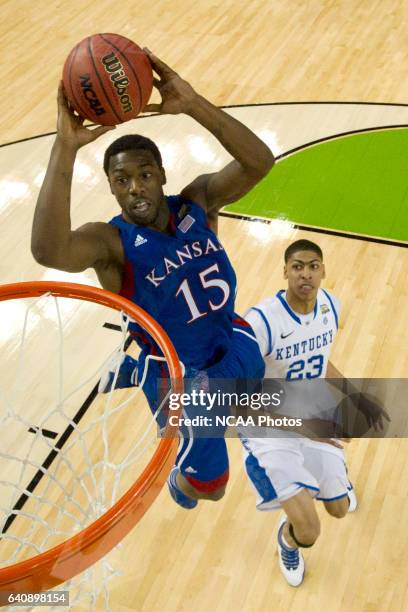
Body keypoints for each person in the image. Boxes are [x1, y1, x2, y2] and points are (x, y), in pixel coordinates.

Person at [31, 49, 274, 510]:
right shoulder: (111, 244)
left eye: (144, 175)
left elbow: (260, 162)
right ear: (111, 188)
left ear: (161, 175)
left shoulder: (197, 203)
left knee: (251, 405)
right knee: (213, 489)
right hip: (182, 380)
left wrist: (194, 103)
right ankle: (178, 466)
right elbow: (48, 250)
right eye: (121, 180)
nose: (135, 187)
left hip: (232, 340)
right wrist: (64, 147)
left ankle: (130, 370)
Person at [241, 239, 388, 586]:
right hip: (271, 430)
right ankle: (288, 541)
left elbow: (320, 362)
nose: (305, 274)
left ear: (323, 270)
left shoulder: (330, 307)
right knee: (309, 530)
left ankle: (329, 480)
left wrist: (356, 396)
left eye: (313, 266)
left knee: (338, 509)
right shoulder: (261, 323)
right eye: (297, 266)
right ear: (285, 272)